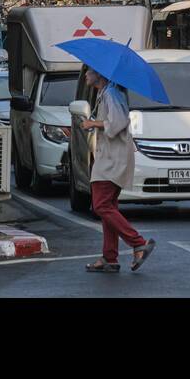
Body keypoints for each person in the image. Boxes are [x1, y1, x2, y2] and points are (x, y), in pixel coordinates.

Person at [79, 66, 158, 273]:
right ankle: (110, 257)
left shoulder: (111, 94)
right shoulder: (106, 93)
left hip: (113, 159)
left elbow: (118, 123)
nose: (85, 75)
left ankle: (138, 243)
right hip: (110, 156)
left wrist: (92, 124)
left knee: (101, 205)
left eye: (89, 71)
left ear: (100, 74)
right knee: (108, 207)